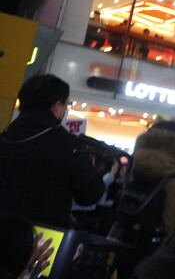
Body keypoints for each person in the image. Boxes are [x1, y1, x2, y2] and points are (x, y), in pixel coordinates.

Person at [0, 75, 104, 227]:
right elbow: (90, 194)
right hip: (43, 240)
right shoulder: (69, 145)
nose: (65, 110)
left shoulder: (5, 137)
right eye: (65, 105)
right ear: (56, 106)